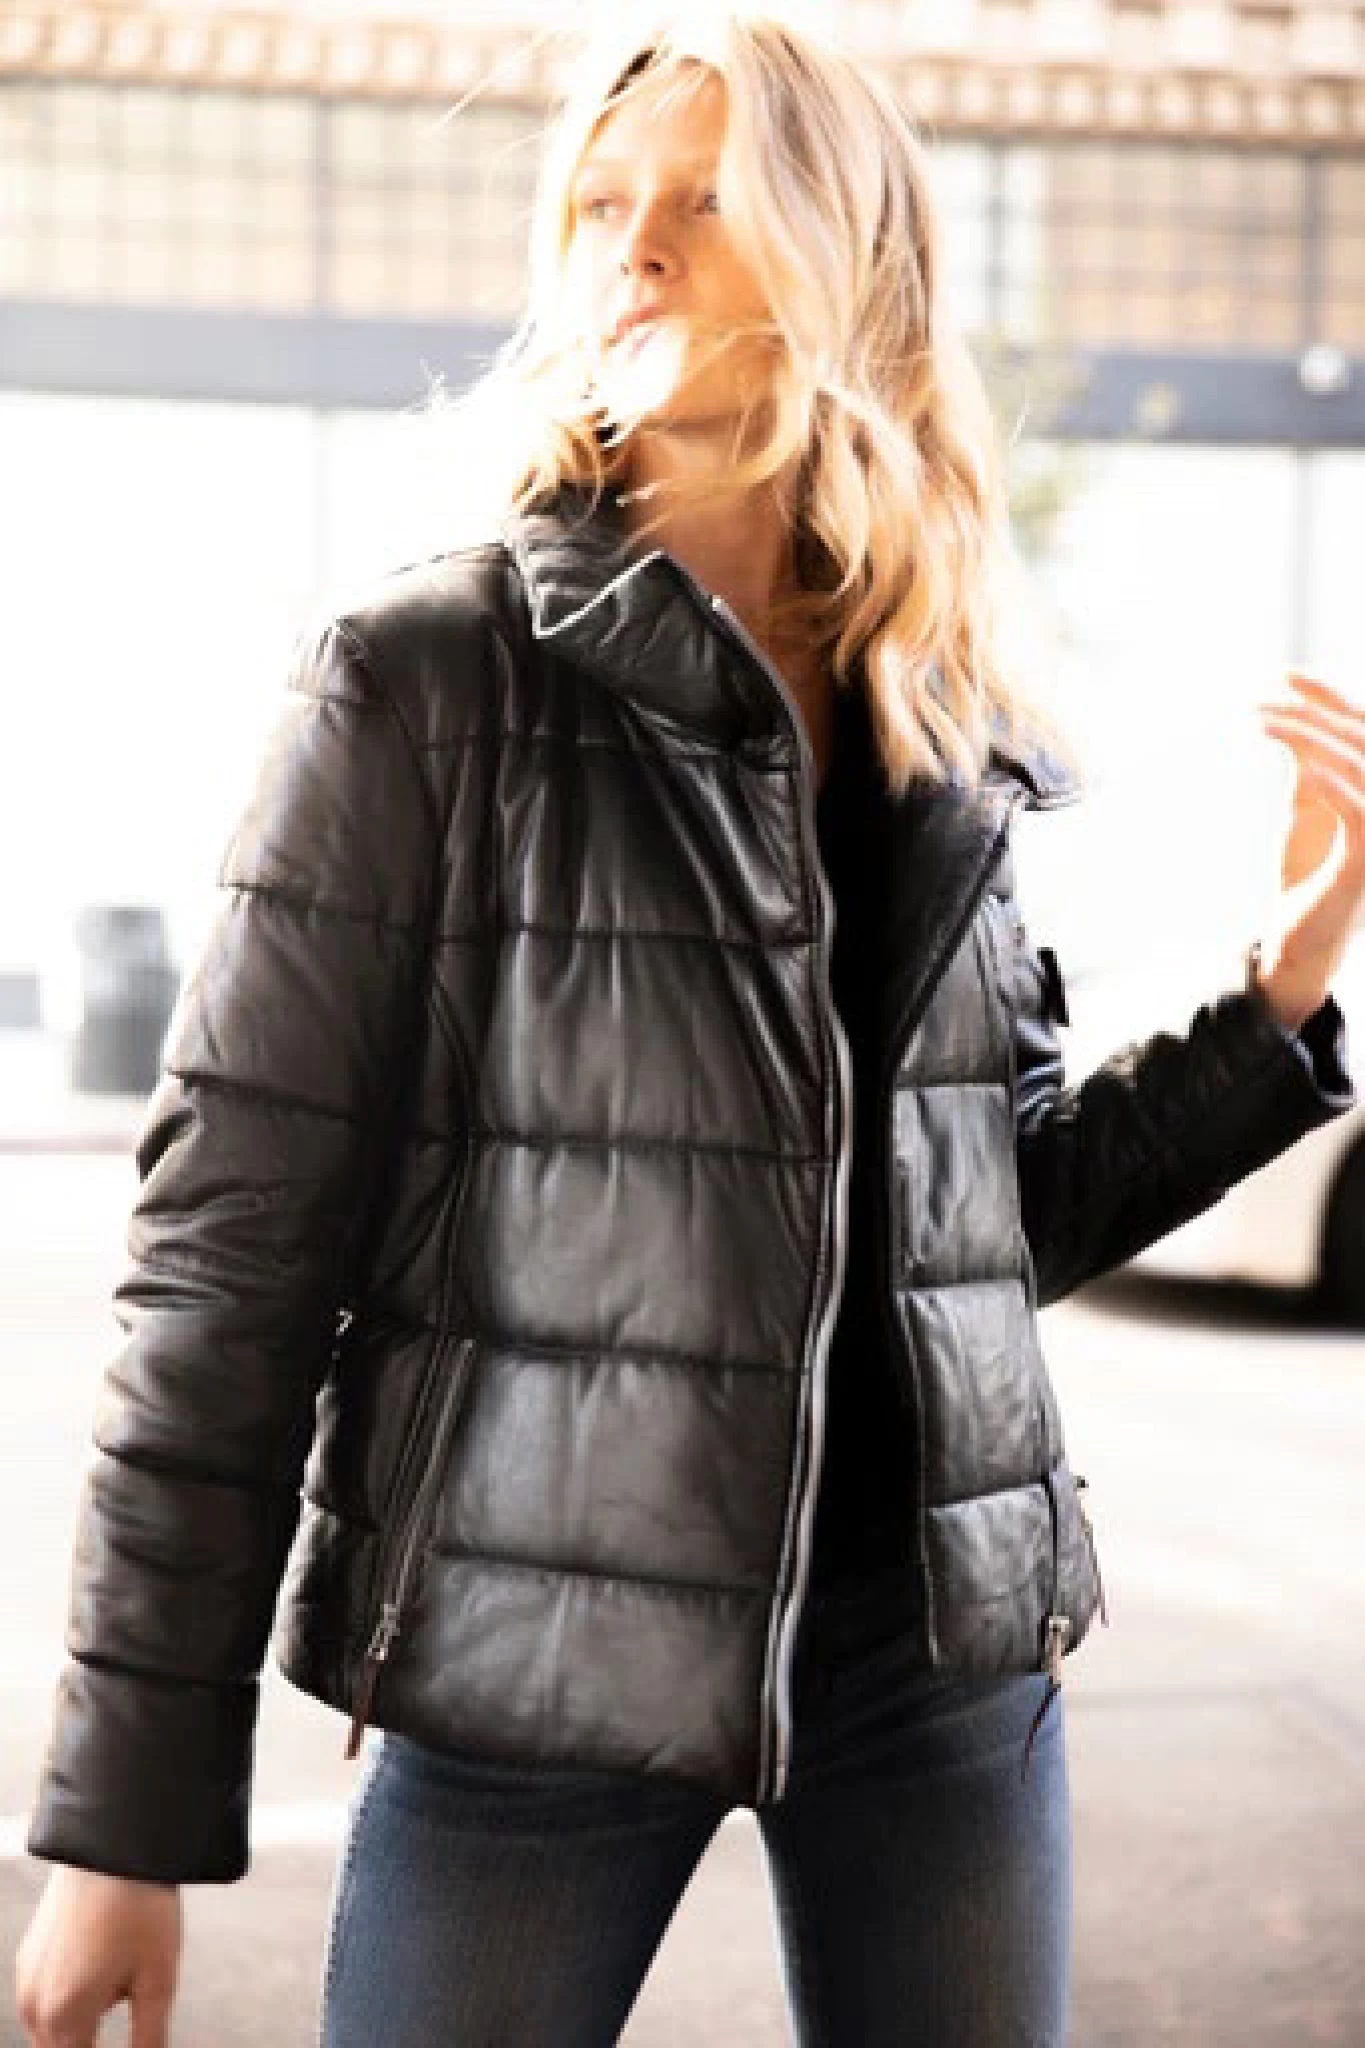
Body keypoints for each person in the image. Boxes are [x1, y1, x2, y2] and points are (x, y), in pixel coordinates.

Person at [16, 10, 1364, 2047]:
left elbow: (985, 1231)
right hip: (530, 1665)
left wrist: (1277, 996)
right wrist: (122, 1823)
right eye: (599, 202)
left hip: (936, 1666)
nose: (633, 246)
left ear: (852, 259)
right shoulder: (424, 684)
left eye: (706, 202)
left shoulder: (936, 708)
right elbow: (228, 1272)